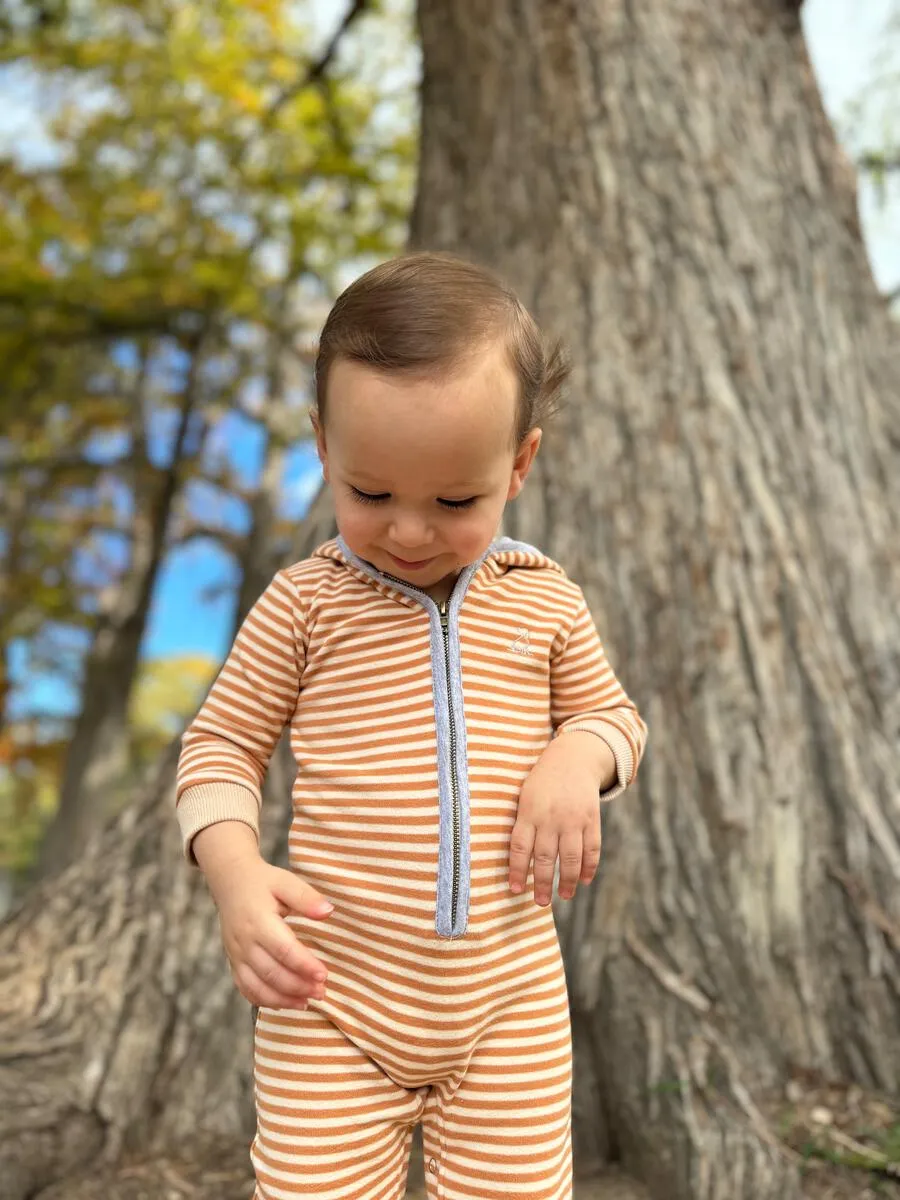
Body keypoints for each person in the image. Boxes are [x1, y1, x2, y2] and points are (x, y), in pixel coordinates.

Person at [175, 251, 647, 1200]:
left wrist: (575, 753)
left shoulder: (545, 600)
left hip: (505, 1002)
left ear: (519, 465)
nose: (410, 532)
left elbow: (614, 716)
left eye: (456, 501)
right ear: (323, 447)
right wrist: (232, 871)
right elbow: (220, 745)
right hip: (331, 1001)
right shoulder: (306, 604)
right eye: (372, 493)